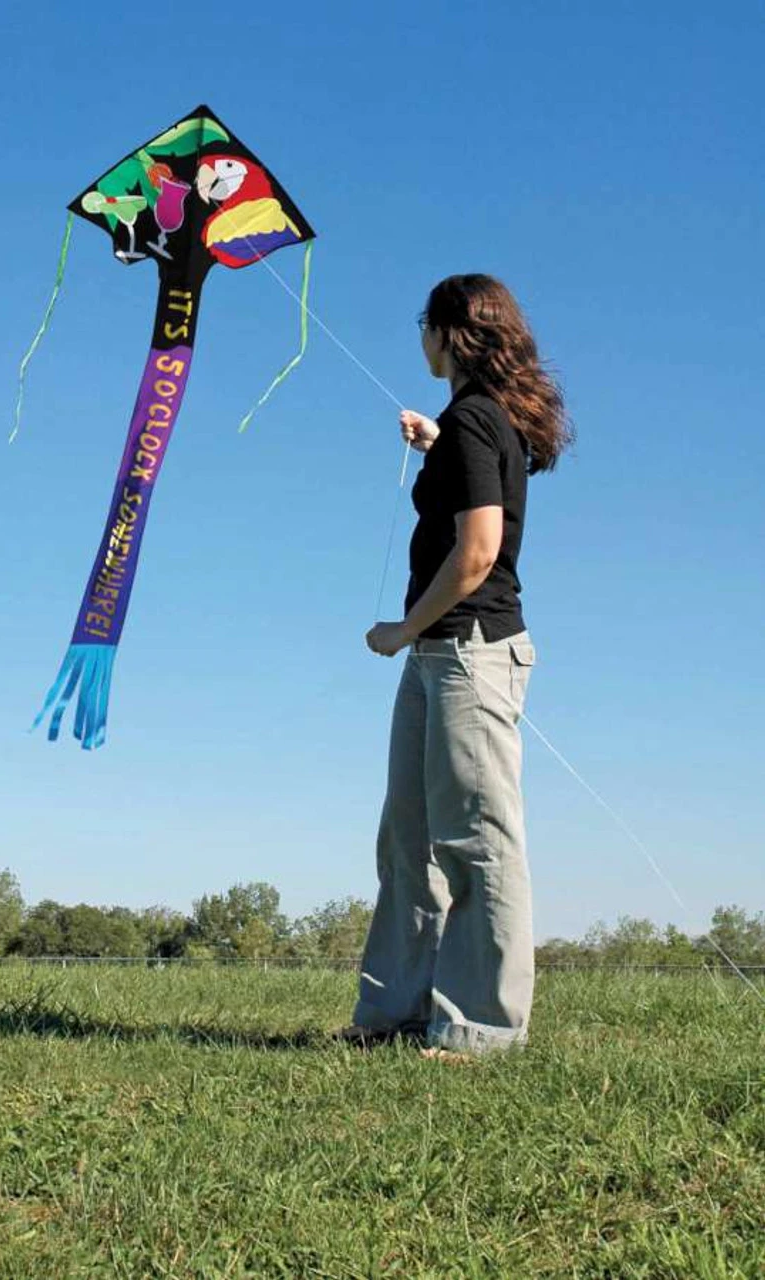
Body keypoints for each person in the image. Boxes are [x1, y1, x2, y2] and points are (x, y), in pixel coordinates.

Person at [343, 274, 572, 1056]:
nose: (420, 337)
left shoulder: (477, 419)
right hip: (438, 655)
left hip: (469, 652)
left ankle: (481, 1030)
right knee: (408, 842)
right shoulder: (470, 422)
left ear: (449, 334)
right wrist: (436, 445)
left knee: (478, 841)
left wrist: (403, 629)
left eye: (424, 324)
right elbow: (474, 486)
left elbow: (477, 553)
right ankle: (394, 1016)